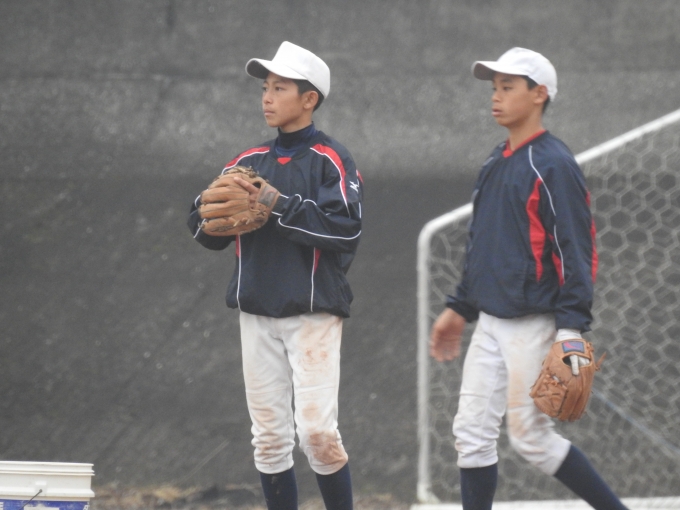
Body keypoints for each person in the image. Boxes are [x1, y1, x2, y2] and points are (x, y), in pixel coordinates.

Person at [429, 47, 628, 510]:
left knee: (531, 438)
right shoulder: (496, 159)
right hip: (491, 321)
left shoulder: (553, 163)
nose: (495, 96)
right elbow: (483, 242)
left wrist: (571, 329)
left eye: (508, 87)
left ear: (539, 94)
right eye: (494, 87)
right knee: (470, 434)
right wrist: (460, 307)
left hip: (534, 322)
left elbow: (577, 249)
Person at [187, 41, 362, 510]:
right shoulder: (247, 161)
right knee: (268, 439)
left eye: (280, 87)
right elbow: (206, 231)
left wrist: (276, 205)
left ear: (309, 99)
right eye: (265, 87)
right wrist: (204, 211)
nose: (267, 96)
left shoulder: (331, 158)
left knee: (318, 434)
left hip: (312, 312)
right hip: (257, 310)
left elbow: (346, 228)